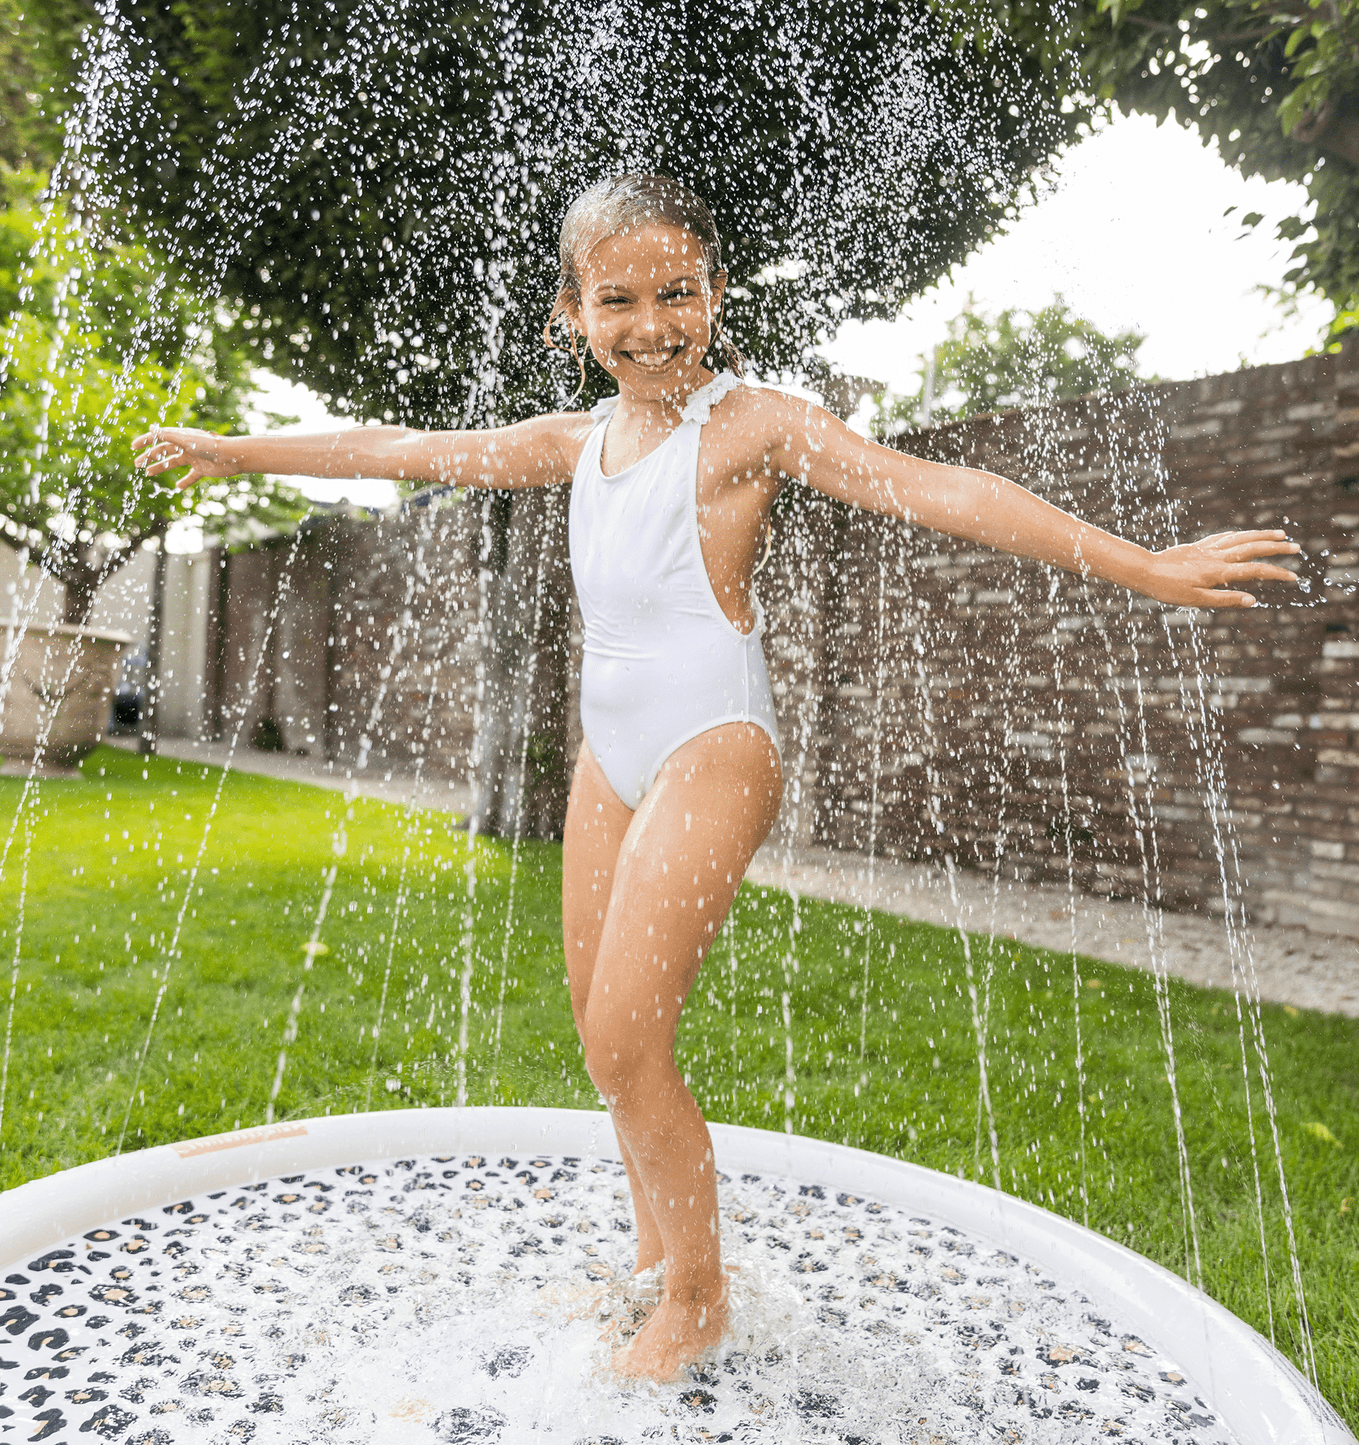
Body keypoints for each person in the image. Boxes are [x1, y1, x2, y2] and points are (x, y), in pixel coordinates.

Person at [135, 173, 1299, 1382]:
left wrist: (1143, 567)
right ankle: (653, 1258)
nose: (651, 325)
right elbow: (403, 446)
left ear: (715, 294)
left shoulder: (751, 424)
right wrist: (235, 449)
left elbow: (946, 488)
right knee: (601, 1031)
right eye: (618, 300)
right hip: (610, 757)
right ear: (571, 316)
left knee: (625, 1046)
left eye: (676, 292)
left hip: (711, 746)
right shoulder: (576, 443)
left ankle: (696, 1296)